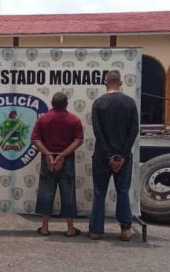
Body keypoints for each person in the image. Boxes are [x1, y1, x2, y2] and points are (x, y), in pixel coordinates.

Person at [89, 70, 139, 241]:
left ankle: (96, 230)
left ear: (105, 82)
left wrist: (109, 155)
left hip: (102, 155)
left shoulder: (98, 103)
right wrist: (122, 155)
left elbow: (97, 131)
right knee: (123, 190)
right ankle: (125, 229)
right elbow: (134, 131)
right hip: (124, 156)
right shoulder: (130, 103)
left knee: (99, 192)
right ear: (121, 82)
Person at [31, 92, 84, 237]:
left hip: (47, 161)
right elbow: (78, 140)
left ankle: (44, 227)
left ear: (52, 103)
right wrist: (62, 155)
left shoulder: (43, 119)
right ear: (66, 104)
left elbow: (35, 140)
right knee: (68, 193)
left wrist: (48, 154)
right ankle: (70, 228)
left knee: (46, 192)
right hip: (66, 160)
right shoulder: (74, 120)